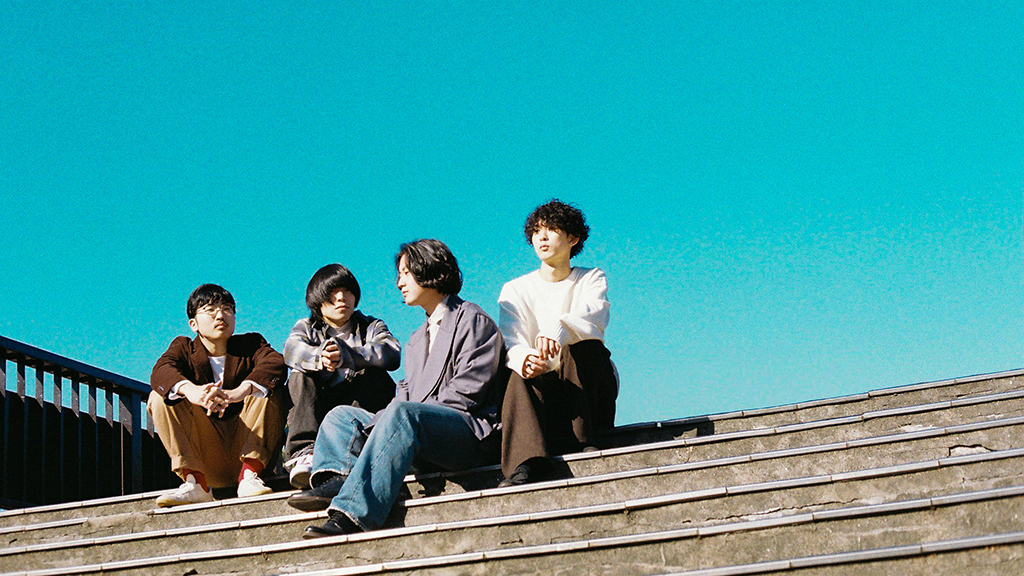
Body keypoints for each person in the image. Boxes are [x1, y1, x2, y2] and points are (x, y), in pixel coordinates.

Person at [288, 239, 506, 537]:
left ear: (428, 269)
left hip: (467, 432)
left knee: (402, 413)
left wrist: (401, 420)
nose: (399, 282)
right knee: (342, 416)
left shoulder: (472, 319)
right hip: (418, 428)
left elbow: (469, 391)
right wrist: (380, 426)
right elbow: (404, 393)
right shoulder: (417, 338)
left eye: (405, 273)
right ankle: (341, 478)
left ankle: (351, 513)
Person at [497, 199, 619, 487]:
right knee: (516, 370)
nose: (542, 237)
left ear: (572, 238)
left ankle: (584, 440)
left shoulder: (591, 278)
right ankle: (527, 463)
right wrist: (525, 359)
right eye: (537, 231)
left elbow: (595, 315)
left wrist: (558, 330)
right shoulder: (515, 289)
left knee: (585, 345)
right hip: (543, 393)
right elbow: (510, 339)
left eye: (551, 230)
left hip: (588, 391)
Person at [149, 283, 287, 507]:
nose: (220, 315)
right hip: (207, 455)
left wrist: (240, 392)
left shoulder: (251, 344)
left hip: (249, 448)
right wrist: (193, 392)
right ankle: (196, 483)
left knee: (269, 388)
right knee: (159, 397)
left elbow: (276, 363)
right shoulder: (183, 348)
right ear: (193, 323)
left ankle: (249, 475)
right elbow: (161, 371)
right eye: (210, 310)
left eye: (226, 309)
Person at [282, 264, 400, 488]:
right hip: (320, 406)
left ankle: (369, 442)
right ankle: (305, 454)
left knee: (375, 371)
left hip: (360, 406)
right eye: (332, 292)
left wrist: (349, 355)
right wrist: (320, 357)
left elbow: (392, 352)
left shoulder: (371, 325)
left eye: (347, 291)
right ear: (317, 299)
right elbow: (291, 350)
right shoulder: (306, 327)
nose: (341, 298)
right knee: (299, 375)